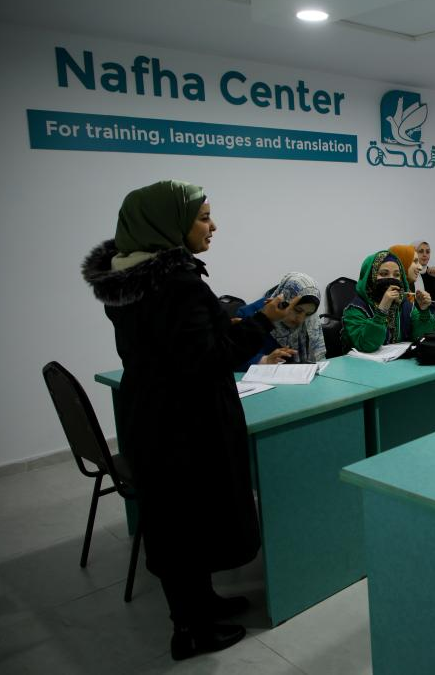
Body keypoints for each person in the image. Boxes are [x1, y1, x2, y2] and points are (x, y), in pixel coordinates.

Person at [82, 180, 294, 660]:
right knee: (188, 521)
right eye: (203, 217)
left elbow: (173, 342)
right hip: (185, 423)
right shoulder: (177, 284)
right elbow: (209, 359)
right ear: (169, 223)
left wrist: (228, 323)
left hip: (152, 415)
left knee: (178, 518)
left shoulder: (133, 279)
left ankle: (202, 603)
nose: (213, 226)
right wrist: (263, 322)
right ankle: (191, 630)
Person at [342, 250, 435, 352]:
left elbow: (423, 337)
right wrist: (382, 310)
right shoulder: (356, 309)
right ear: (370, 277)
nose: (391, 279)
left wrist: (423, 311)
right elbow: (366, 345)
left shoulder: (405, 305)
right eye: (384, 274)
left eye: (396, 275)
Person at [235, 272, 326, 369]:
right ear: (284, 301)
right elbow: (232, 358)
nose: (300, 319)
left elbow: (318, 358)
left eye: (308, 314)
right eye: (297, 310)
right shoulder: (248, 315)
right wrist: (264, 360)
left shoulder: (310, 320)